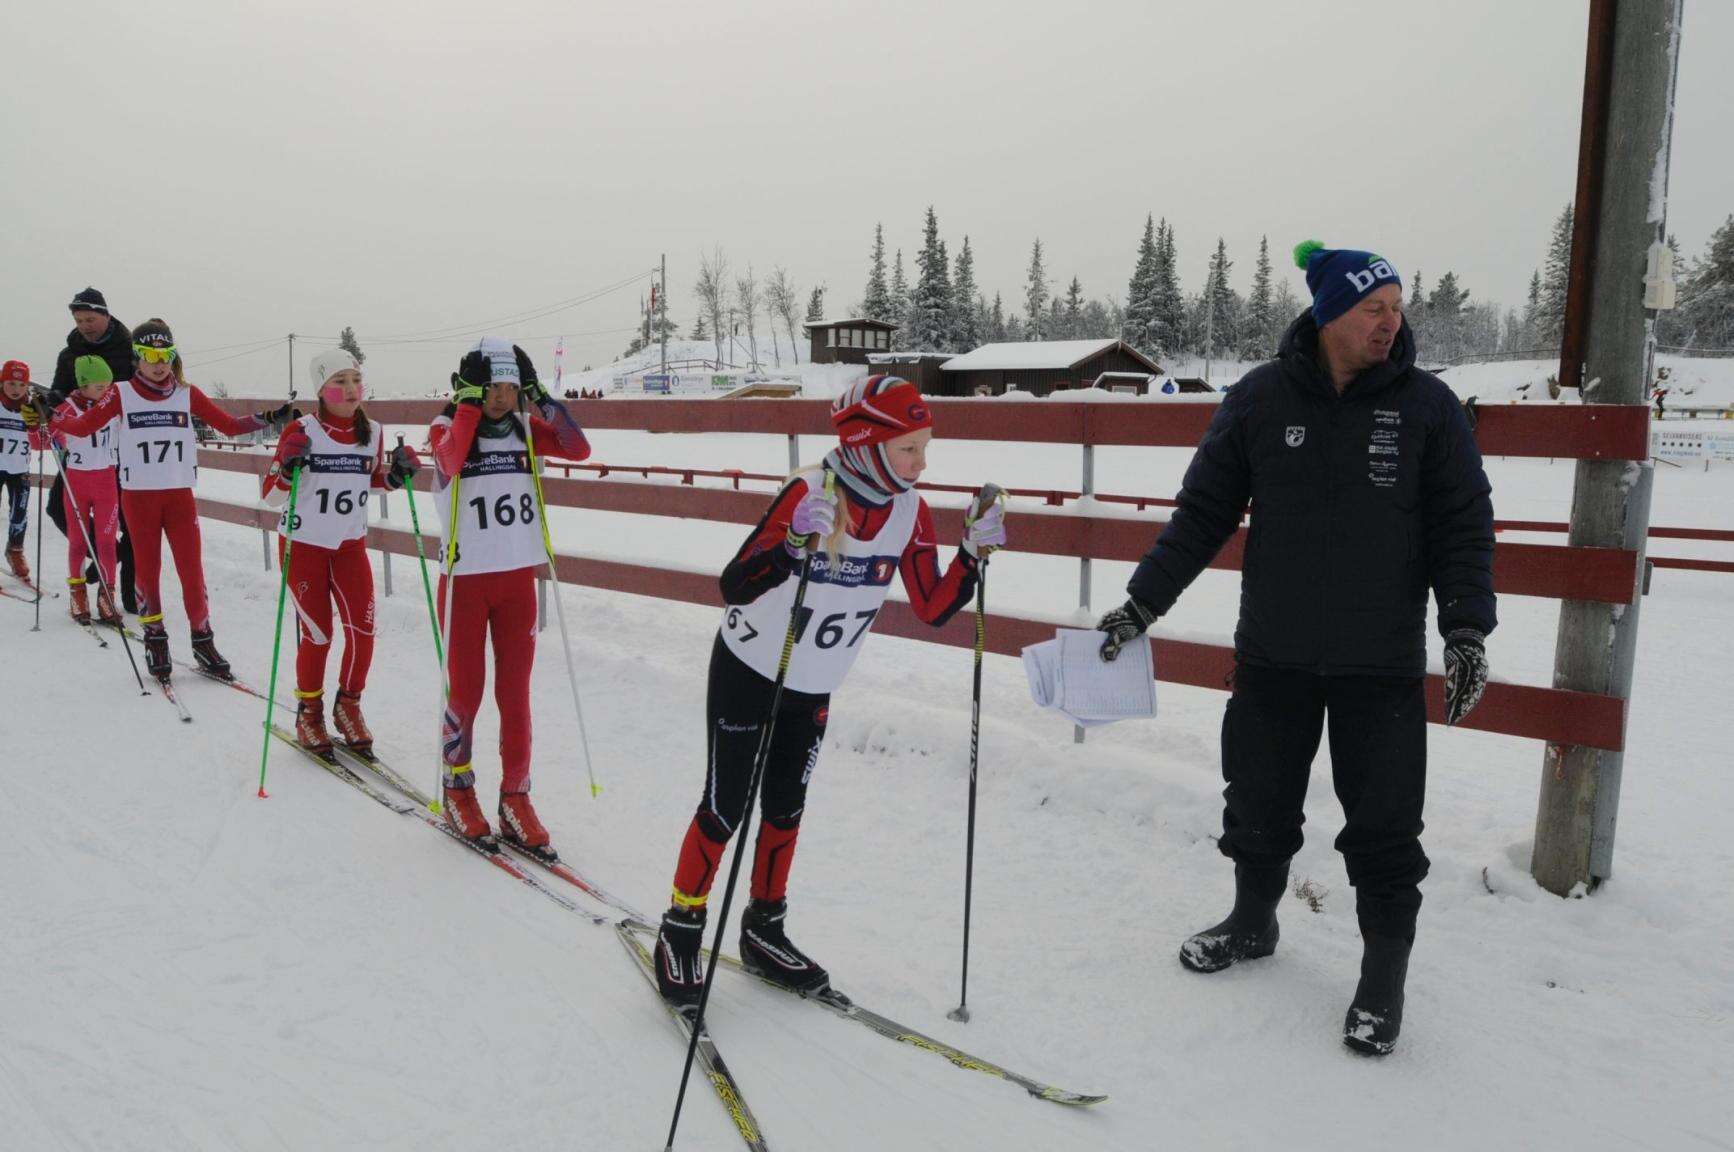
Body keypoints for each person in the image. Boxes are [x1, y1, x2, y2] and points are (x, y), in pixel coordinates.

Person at [1094, 241, 1495, 1057]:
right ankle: (1253, 922)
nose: (1390, 323)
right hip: (1274, 651)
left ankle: (1383, 976)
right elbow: (1203, 513)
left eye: (1396, 308)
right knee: (1257, 801)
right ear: (1328, 314)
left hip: (1379, 661)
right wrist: (1142, 603)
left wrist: (1465, 629)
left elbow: (1463, 525)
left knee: (1385, 827)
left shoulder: (1428, 407)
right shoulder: (1260, 398)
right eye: (1372, 309)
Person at [651, 374, 1008, 1008]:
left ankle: (764, 930)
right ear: (867, 443)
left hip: (813, 682)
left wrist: (970, 557)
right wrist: (791, 546)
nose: (922, 463)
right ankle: (681, 928)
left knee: (785, 808)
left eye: (925, 448)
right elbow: (735, 585)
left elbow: (931, 607)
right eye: (909, 449)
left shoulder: (911, 511)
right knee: (725, 806)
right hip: (751, 668)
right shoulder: (811, 491)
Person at [50, 318, 297, 682]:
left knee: (192, 571)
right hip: (139, 498)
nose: (159, 363)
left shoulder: (186, 392)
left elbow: (228, 425)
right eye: (150, 356)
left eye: (165, 355)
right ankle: (155, 637)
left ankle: (203, 639)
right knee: (148, 570)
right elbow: (84, 427)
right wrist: (51, 417)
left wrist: (271, 418)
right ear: (137, 358)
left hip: (179, 496)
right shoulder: (121, 393)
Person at [429, 337, 591, 854]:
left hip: (517, 579)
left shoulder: (524, 428)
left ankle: (515, 796)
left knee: (515, 693)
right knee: (467, 691)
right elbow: (451, 458)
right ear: (470, 387)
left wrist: (539, 396)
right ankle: (458, 787)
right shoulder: (445, 426)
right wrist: (467, 403)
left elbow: (578, 448)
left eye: (508, 387)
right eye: (491, 387)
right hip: (466, 580)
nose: (501, 397)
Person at [261, 350, 419, 759]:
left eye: (355, 380)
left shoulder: (374, 432)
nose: (350, 389)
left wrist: (395, 477)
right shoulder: (301, 429)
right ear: (321, 390)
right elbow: (270, 497)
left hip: (349, 546)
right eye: (339, 381)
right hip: (304, 547)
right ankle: (309, 712)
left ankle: (348, 705)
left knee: (363, 632)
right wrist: (287, 469)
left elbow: (370, 481)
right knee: (318, 635)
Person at [49, 288, 137, 612]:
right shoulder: (69, 354)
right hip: (80, 454)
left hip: (121, 451)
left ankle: (128, 594)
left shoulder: (127, 350)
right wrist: (49, 407)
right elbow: (57, 393)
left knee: (130, 522)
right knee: (57, 510)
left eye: (90, 319)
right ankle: (101, 558)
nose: (85, 326)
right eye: (79, 320)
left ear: (106, 315)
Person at [47, 356, 124, 626]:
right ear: (82, 385)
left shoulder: (114, 407)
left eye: (108, 386)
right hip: (76, 483)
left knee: (106, 542)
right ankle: (77, 594)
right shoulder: (66, 408)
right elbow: (39, 440)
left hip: (106, 482)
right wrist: (36, 419)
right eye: (99, 387)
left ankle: (107, 595)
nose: (106, 391)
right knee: (78, 541)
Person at [0, 360, 42, 582]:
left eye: (21, 384)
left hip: (20, 469)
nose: (16, 389)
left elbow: (43, 441)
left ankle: (15, 550)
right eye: (11, 383)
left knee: (19, 512)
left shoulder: (32, 407)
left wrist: (38, 425)